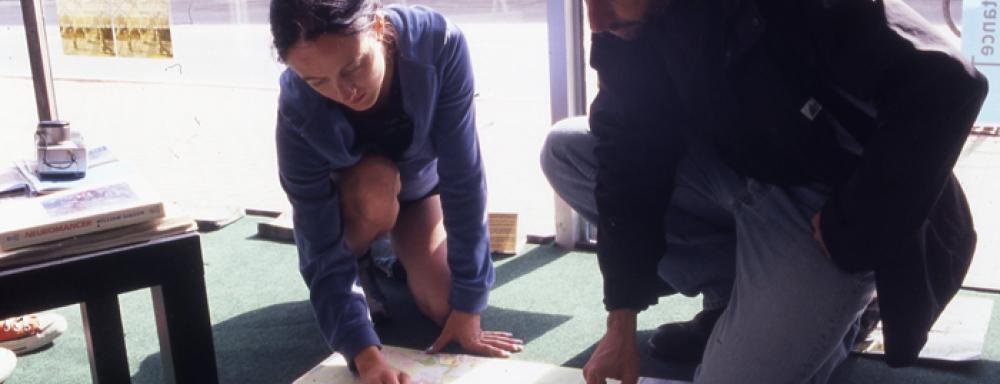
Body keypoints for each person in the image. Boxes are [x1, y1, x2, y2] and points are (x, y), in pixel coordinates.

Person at [541, 0, 988, 383]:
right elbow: (627, 152)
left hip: (822, 203)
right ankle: (733, 299)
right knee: (567, 151)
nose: (596, 20)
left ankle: (841, 311)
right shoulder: (631, 25)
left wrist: (854, 231)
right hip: (740, 172)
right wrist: (621, 315)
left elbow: (949, 85)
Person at [269, 1, 523, 383]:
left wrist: (469, 303)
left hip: (419, 192)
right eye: (317, 82)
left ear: (378, 26)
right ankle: (362, 259)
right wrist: (364, 355)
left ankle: (388, 253)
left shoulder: (440, 42)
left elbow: (463, 176)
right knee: (376, 185)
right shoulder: (295, 106)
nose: (344, 92)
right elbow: (318, 242)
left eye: (353, 67)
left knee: (445, 303)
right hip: (355, 206)